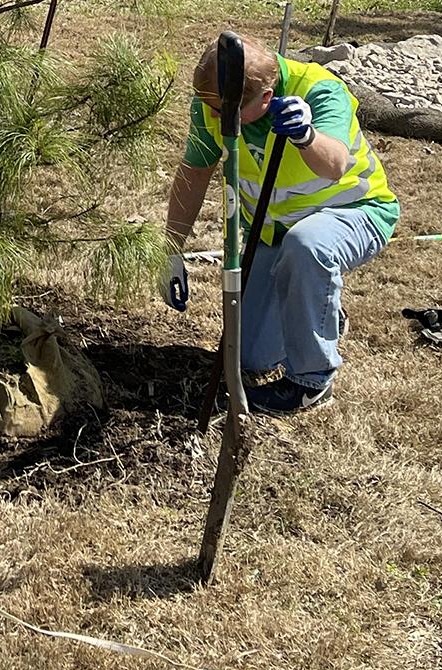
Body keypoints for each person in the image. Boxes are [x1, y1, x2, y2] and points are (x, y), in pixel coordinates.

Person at [160, 35, 399, 416]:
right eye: (212, 108)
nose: (216, 118)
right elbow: (195, 174)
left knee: (308, 247)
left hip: (356, 212)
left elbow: (334, 164)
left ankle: (311, 381)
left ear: (267, 98)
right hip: (273, 232)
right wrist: (171, 250)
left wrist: (306, 136)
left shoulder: (320, 90)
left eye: (226, 111)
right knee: (252, 357)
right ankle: (321, 311)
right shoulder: (214, 101)